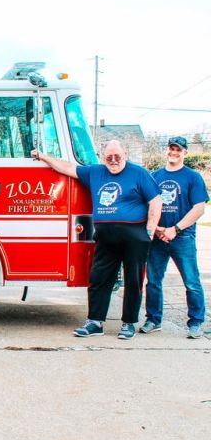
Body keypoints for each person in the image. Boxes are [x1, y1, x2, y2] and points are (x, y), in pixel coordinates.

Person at [32, 140, 161, 340]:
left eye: (117, 156)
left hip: (135, 235)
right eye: (109, 157)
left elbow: (155, 201)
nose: (114, 160)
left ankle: (128, 324)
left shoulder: (139, 173)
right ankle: (95, 322)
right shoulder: (94, 172)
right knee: (99, 279)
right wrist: (44, 157)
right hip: (105, 237)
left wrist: (150, 231)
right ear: (103, 157)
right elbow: (67, 167)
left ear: (125, 155)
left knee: (133, 280)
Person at [142, 136, 208, 338]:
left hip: (183, 238)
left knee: (191, 281)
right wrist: (158, 228)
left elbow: (199, 208)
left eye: (178, 149)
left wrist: (175, 229)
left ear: (185, 153)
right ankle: (153, 319)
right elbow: (147, 204)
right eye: (171, 148)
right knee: (153, 281)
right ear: (166, 151)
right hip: (158, 237)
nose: (174, 152)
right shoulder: (154, 176)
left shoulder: (193, 177)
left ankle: (196, 322)